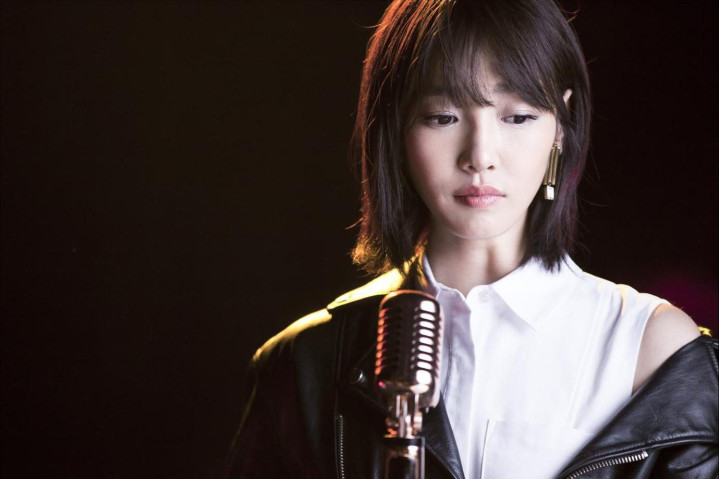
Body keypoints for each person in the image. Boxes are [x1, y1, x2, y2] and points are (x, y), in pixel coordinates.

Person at [223, 0, 718, 477]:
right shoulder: (305, 364)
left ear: (561, 127)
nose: (480, 156)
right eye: (443, 117)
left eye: (517, 117)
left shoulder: (654, 349)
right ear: (396, 127)